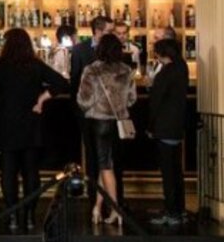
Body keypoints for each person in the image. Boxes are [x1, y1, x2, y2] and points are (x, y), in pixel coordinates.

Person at [0, 28, 69, 231]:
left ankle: (12, 214)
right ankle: (30, 215)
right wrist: (41, 99)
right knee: (31, 172)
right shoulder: (35, 65)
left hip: (6, 125)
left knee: (8, 173)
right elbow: (61, 82)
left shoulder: (0, 66)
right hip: (31, 124)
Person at [78, 33, 137, 227]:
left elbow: (83, 100)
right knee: (108, 165)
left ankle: (115, 210)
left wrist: (95, 106)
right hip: (119, 124)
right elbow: (131, 99)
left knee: (105, 166)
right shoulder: (127, 70)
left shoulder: (92, 70)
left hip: (99, 122)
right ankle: (97, 207)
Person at [70, 15, 113, 202]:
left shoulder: (114, 49)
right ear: (97, 31)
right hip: (86, 111)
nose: (112, 35)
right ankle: (94, 193)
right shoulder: (80, 50)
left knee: (108, 155)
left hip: (108, 112)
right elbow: (75, 80)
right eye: (109, 31)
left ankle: (109, 197)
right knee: (92, 152)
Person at [147, 38, 189, 226]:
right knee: (177, 171)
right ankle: (180, 210)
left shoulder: (165, 73)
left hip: (164, 127)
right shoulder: (182, 67)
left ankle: (171, 212)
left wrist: (150, 126)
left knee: (168, 172)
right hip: (177, 126)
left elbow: (156, 101)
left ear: (161, 53)